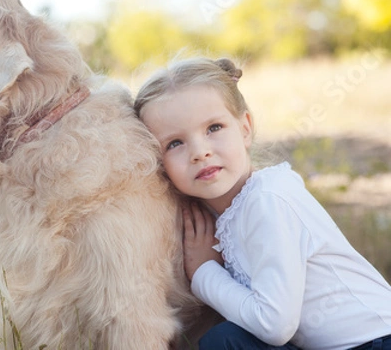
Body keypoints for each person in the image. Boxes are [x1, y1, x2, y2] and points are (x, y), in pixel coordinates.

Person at [134, 57, 391, 350]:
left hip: (374, 342)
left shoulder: (267, 199)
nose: (200, 152)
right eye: (175, 143)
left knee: (224, 342)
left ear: (245, 127)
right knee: (226, 338)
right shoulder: (217, 216)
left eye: (214, 128)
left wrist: (204, 272)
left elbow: (274, 325)